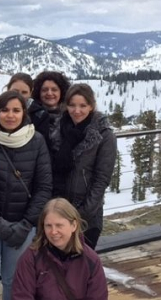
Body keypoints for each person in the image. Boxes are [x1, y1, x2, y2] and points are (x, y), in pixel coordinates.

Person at [0, 91, 52, 300]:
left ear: (24, 113)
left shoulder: (36, 141)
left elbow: (43, 187)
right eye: (4, 110)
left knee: (14, 282)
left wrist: (26, 224)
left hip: (22, 226)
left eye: (16, 110)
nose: (10, 115)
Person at [51, 83, 117, 249]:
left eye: (82, 105)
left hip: (87, 215)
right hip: (57, 210)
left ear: (92, 106)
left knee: (80, 266)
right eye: (72, 105)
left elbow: (101, 179)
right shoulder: (57, 130)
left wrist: (81, 215)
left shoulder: (104, 135)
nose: (76, 111)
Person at [11, 198, 108, 300]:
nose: (53, 232)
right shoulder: (31, 258)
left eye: (59, 225)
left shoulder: (91, 260)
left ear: (74, 225)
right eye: (48, 226)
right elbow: (21, 296)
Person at [31, 71, 71, 151]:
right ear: (38, 92)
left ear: (61, 92)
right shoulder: (31, 115)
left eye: (54, 89)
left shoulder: (70, 116)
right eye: (45, 90)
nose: (49, 93)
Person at [6, 73, 49, 143]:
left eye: (24, 92)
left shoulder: (40, 115)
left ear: (30, 93)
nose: (19, 95)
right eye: (15, 91)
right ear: (8, 89)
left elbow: (41, 143)